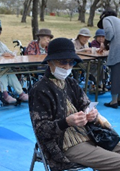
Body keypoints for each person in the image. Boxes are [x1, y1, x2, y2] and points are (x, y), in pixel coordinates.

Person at [29, 37, 120, 171]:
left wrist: (92, 115)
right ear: (50, 62)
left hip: (90, 134)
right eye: (62, 62)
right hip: (65, 144)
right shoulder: (40, 90)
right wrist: (66, 122)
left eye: (71, 62)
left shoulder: (71, 83)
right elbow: (41, 131)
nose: (67, 67)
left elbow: (86, 105)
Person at [97, 9, 120, 108]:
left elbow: (109, 34)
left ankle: (113, 101)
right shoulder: (118, 20)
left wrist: (104, 44)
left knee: (115, 76)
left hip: (118, 52)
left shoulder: (106, 19)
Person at [72, 28, 103, 92]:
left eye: (88, 37)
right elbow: (72, 52)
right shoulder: (73, 42)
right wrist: (84, 50)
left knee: (100, 64)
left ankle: (98, 84)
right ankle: (95, 83)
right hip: (75, 62)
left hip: (85, 61)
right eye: (84, 37)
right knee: (94, 66)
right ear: (79, 36)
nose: (86, 39)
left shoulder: (85, 44)